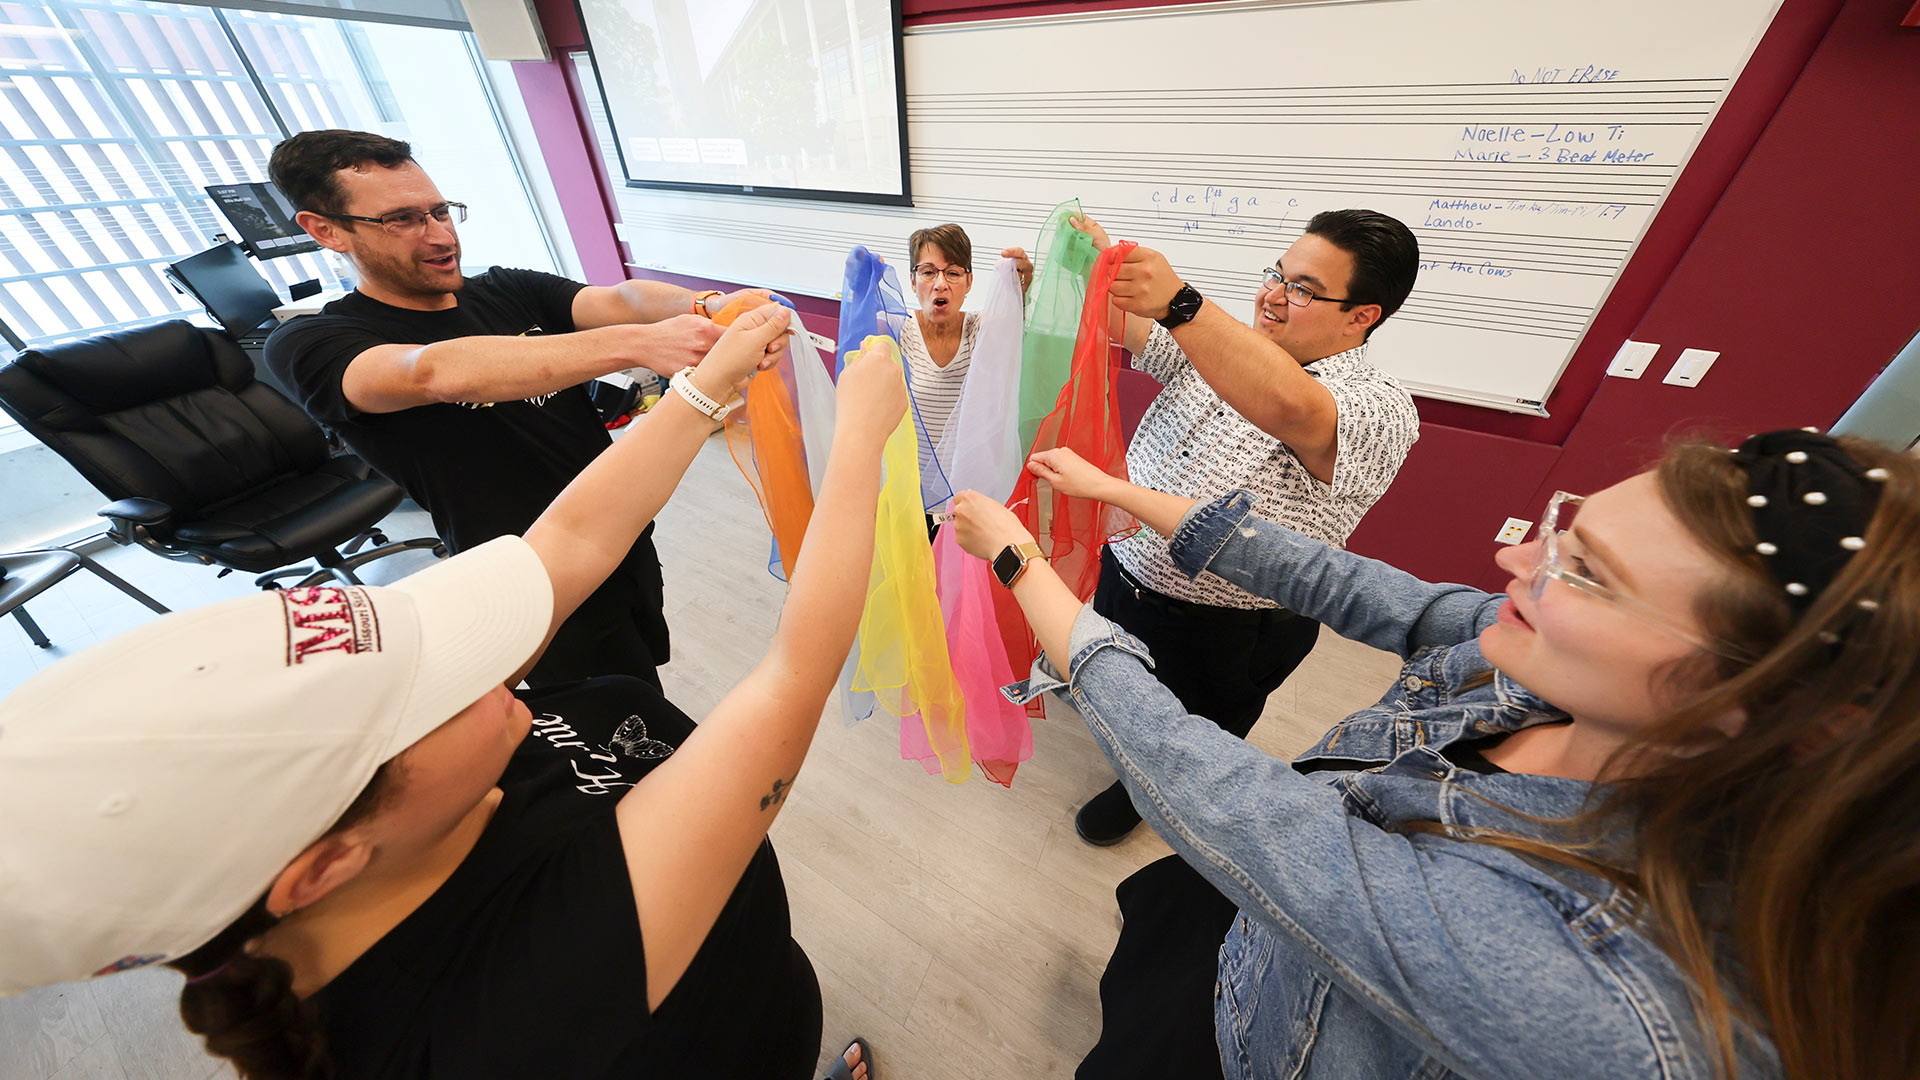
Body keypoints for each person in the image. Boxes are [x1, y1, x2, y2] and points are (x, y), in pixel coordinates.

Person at [1, 304, 903, 1080]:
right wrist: (860, 438)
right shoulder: (522, 1002)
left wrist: (705, 390)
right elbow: (797, 669)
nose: (497, 667)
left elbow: (572, 542)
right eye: (439, 690)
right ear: (325, 866)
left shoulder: (397, 812)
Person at [950, 429, 1919, 1080]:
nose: (1518, 567)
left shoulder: (1604, 990)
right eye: (1563, 536)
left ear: (1763, 710)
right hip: (1262, 936)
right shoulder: (1551, 674)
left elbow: (1228, 805)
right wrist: (1120, 492)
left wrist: (1019, 567)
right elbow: (1374, 592)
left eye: (1590, 577)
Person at [264, 129, 770, 689]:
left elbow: (619, 299)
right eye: (402, 220)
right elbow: (432, 372)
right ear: (325, 229)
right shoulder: (311, 344)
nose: (439, 236)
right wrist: (640, 344)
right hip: (526, 576)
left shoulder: (508, 289)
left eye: (440, 211)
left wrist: (708, 305)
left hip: (622, 536)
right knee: (601, 714)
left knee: (639, 676)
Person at [1060, 210, 1422, 844]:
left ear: (1362, 316)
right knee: (1117, 685)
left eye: (1304, 290)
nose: (1273, 298)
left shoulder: (1380, 408)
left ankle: (1143, 793)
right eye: (1277, 275)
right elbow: (1135, 325)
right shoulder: (1219, 343)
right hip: (1127, 575)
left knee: (1186, 734)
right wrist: (1076, 274)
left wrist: (1179, 302)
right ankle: (1123, 746)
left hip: (1225, 629)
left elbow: (1292, 407)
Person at [898, 223, 1032, 482]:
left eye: (953, 273)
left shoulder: (979, 330)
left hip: (968, 489)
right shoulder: (899, 329)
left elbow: (1014, 316)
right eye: (927, 272)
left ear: (969, 282)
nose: (940, 284)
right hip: (912, 490)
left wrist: (1022, 283)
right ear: (913, 282)